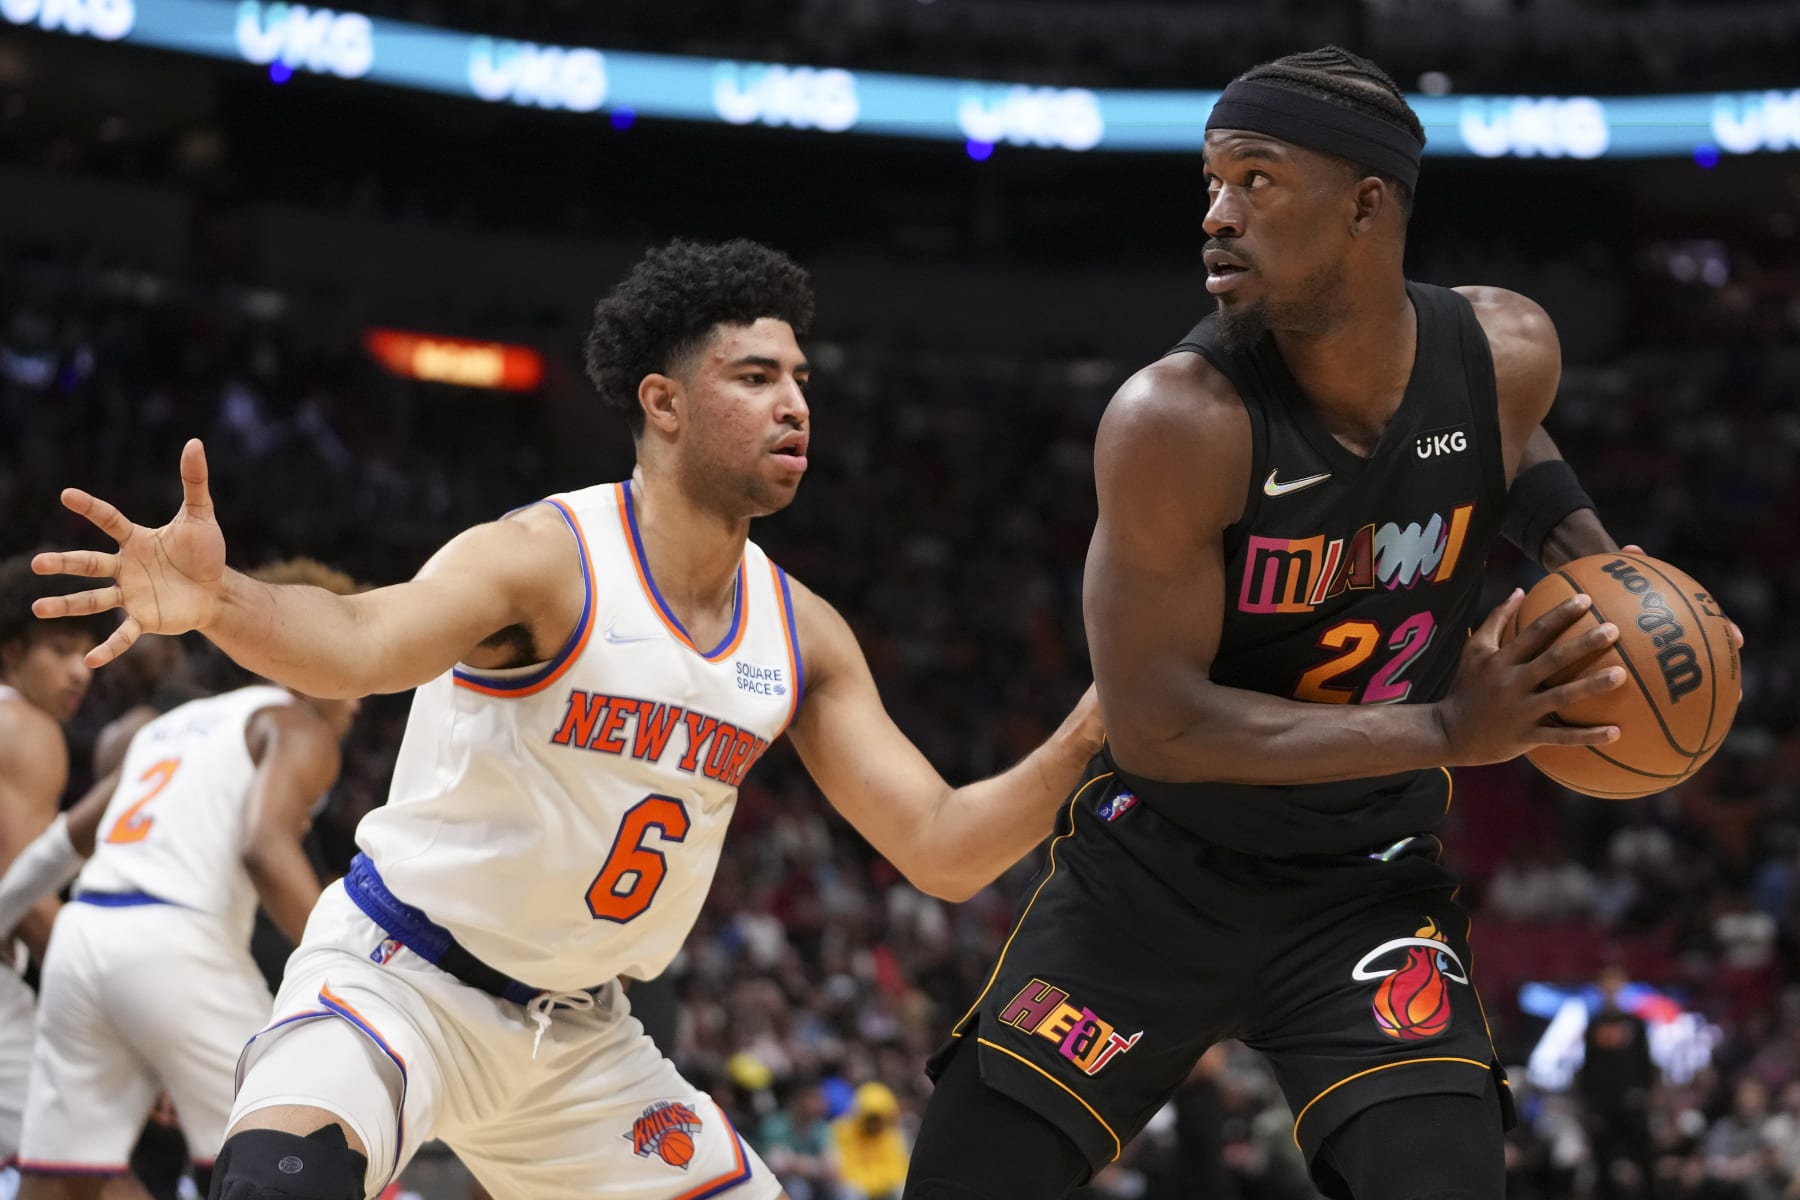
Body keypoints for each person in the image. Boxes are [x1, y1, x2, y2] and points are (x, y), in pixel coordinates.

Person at [32, 238, 1103, 1200]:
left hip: (584, 1039)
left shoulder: (804, 634)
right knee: (278, 1183)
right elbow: (359, 642)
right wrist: (220, 602)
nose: (796, 404)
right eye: (756, 376)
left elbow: (944, 848)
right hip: (400, 976)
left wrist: (1091, 731)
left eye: (801, 380)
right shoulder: (547, 558)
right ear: (664, 403)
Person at [903, 47, 1738, 1200]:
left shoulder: (1506, 350)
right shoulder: (1175, 422)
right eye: (1210, 182)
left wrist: (1614, 581)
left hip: (1366, 883)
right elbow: (1158, 730)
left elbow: (1511, 436)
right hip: (1155, 879)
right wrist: (1449, 730)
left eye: (1255, 179)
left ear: (1364, 206)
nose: (1214, 214)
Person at [0, 559, 360, 1199]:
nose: (358, 698)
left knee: (59, 1181)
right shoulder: (294, 726)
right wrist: (356, 977)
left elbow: (63, 843)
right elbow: (265, 848)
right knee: (287, 1158)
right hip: (178, 942)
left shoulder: (170, 727)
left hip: (81, 942)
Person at [0, 553, 110, 1170]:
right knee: (75, 1169)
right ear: (12, 650)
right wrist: (105, 1009)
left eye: (87, 652)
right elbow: (23, 890)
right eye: (60, 650)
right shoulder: (25, 728)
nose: (82, 670)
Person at [1578, 964, 1658, 1199]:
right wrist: (1589, 1105)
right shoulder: (1594, 1024)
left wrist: (1647, 1093)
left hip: (1633, 1102)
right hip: (1603, 1107)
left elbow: (1646, 1062)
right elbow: (1588, 1066)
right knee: (1603, 1163)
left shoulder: (1635, 1024)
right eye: (1607, 983)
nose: (1611, 988)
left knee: (1644, 1160)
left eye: (1616, 983)